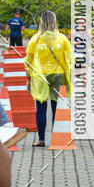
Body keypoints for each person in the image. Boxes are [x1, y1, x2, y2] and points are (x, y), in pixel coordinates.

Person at [25, 10, 72, 148]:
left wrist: (28, 78)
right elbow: (68, 58)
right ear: (54, 21)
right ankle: (58, 138)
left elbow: (28, 60)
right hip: (58, 75)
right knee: (56, 107)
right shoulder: (62, 38)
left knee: (41, 107)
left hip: (41, 76)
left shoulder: (35, 39)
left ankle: (41, 139)